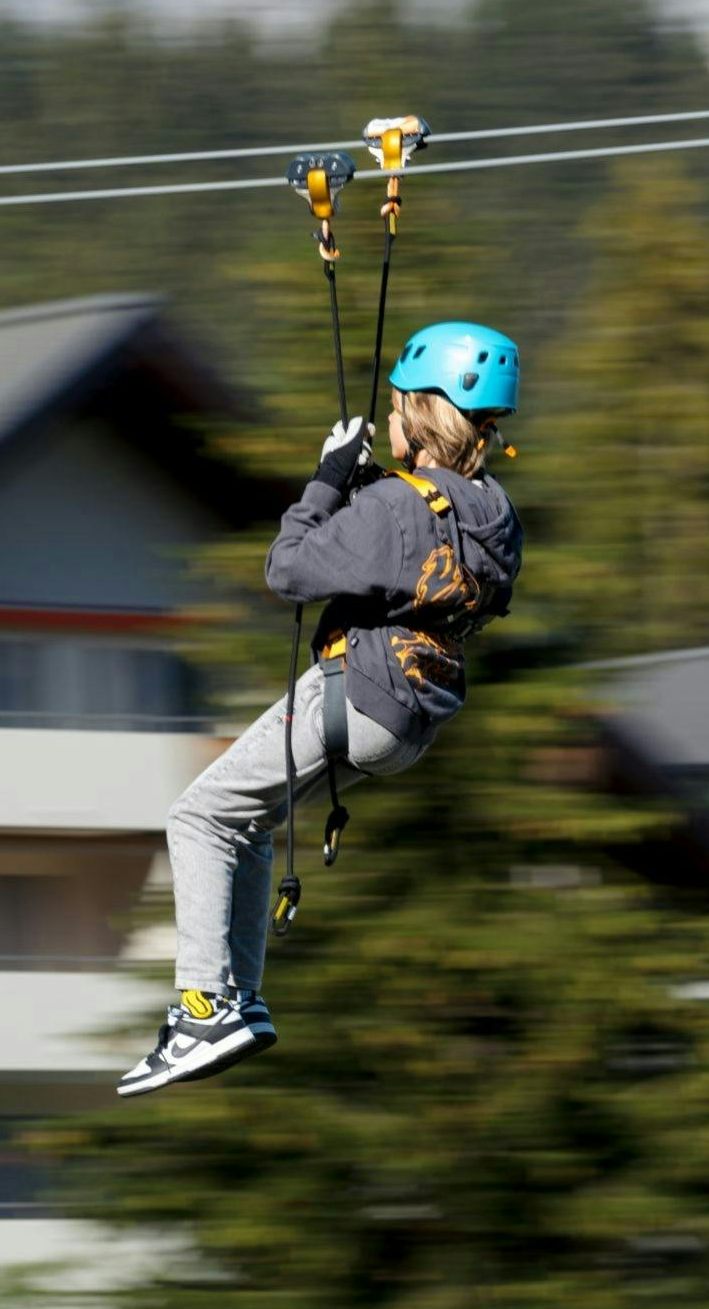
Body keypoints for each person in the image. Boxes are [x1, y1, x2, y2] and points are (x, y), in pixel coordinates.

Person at [119, 322, 526, 1097]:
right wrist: (373, 492)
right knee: (248, 819)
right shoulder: (497, 516)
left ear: (424, 411)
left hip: (355, 690)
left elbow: (289, 569)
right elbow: (419, 555)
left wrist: (327, 480)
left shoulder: (397, 510)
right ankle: (242, 1002)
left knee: (198, 817)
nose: (396, 417)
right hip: (412, 716)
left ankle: (207, 1006)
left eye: (403, 405)